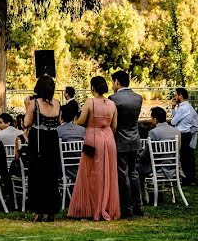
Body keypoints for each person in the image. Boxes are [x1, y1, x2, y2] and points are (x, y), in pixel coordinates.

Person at [68, 76, 120, 221]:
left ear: (92, 88)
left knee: (91, 173)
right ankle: (107, 206)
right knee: (108, 174)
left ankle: (92, 208)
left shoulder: (90, 102)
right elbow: (114, 126)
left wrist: (76, 121)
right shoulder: (111, 104)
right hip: (109, 140)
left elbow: (82, 121)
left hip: (93, 139)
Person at [23, 75, 61, 222]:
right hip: (52, 140)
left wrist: (27, 107)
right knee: (52, 176)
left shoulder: (34, 104)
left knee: (37, 175)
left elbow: (26, 123)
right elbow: (58, 122)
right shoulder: (57, 104)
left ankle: (39, 210)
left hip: (38, 140)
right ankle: (51, 210)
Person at [110, 69, 144, 218]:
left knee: (123, 174)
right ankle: (138, 206)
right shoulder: (138, 98)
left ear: (117, 81)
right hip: (134, 139)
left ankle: (126, 207)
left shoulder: (113, 99)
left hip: (120, 140)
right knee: (134, 173)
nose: (112, 85)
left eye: (112, 82)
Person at [137, 106, 181, 184]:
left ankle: (142, 194)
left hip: (158, 167)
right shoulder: (176, 131)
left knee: (136, 168)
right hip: (174, 166)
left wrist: (139, 156)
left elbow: (147, 153)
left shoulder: (153, 132)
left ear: (155, 119)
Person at [171, 87, 198, 185]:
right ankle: (190, 178)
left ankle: (187, 179)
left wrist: (173, 108)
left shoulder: (184, 108)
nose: (175, 97)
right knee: (188, 156)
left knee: (185, 157)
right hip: (186, 134)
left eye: (176, 95)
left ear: (180, 96)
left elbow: (173, 121)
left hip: (183, 134)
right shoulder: (188, 108)